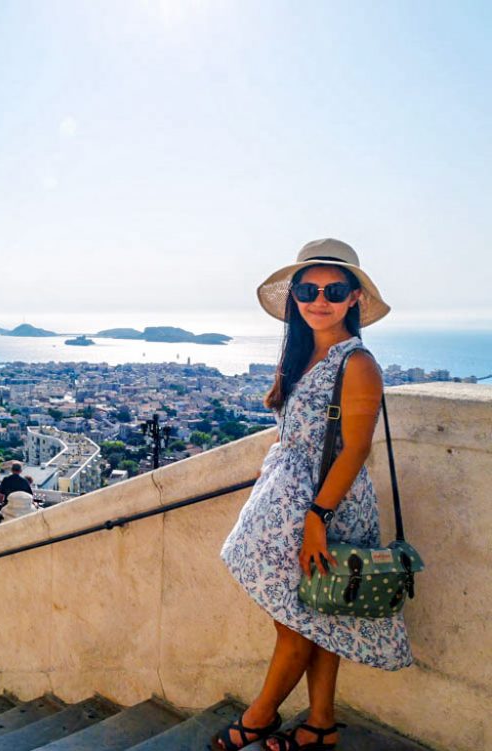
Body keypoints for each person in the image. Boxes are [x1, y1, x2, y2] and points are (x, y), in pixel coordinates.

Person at [214, 239, 410, 751]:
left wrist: (316, 517)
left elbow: (357, 449)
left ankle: (258, 718)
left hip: (329, 506)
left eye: (334, 289)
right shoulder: (303, 355)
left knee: (295, 624)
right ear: (294, 298)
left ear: (353, 300)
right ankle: (321, 723)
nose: (319, 299)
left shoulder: (357, 362)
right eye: (307, 289)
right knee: (321, 616)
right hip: (297, 505)